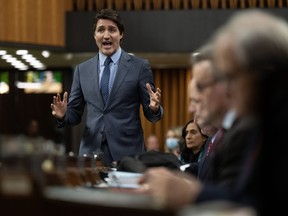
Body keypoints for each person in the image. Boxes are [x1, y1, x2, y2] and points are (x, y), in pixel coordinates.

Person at [137, 9, 288, 215]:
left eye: (230, 76)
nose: (225, 89)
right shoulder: (261, 121)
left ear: (265, 76)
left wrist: (193, 195)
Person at [50, 8, 163, 166]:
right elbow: (74, 114)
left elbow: (152, 115)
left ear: (121, 34)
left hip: (128, 152)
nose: (106, 35)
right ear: (94, 35)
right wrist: (62, 116)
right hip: (91, 152)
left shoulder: (139, 67)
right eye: (101, 30)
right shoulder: (82, 70)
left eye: (112, 30)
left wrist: (154, 108)